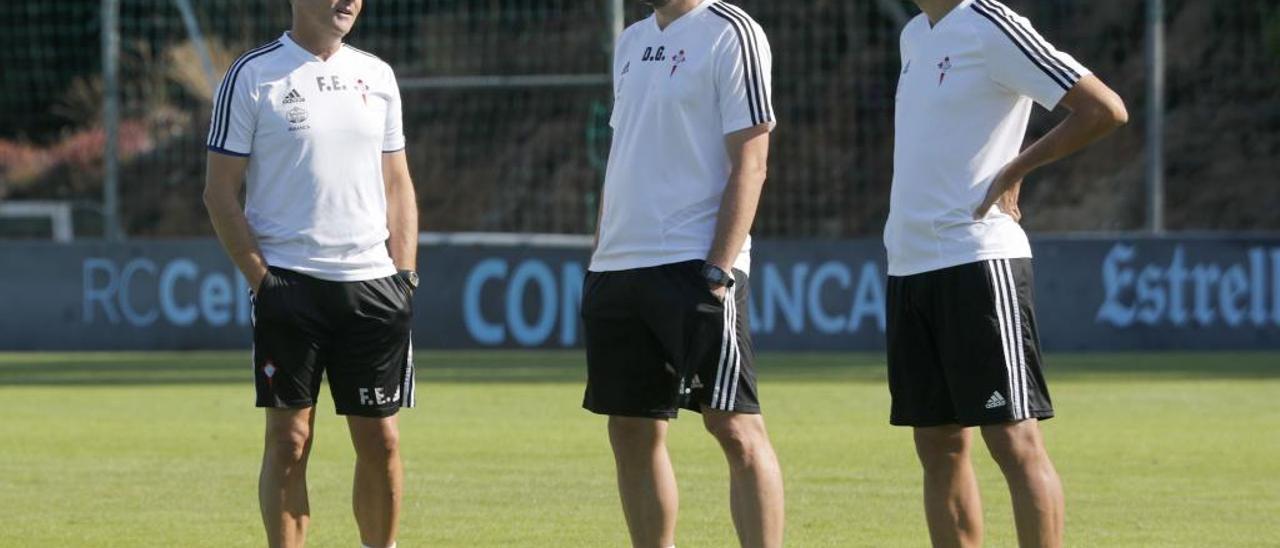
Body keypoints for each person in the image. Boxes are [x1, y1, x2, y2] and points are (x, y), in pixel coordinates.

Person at [885, 0, 1128, 546]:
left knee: (1014, 441)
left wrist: (1019, 166)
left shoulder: (992, 24)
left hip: (976, 261)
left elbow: (1104, 109)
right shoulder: (915, 36)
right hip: (909, 265)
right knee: (938, 445)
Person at [202, 1, 418, 546]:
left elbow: (398, 185)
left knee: (382, 441)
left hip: (373, 286)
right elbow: (219, 192)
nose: (348, 1)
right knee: (289, 440)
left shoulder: (378, 75)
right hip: (290, 284)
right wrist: (263, 282)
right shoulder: (251, 75)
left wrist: (405, 274)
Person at [581, 1, 784, 546]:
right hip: (619, 266)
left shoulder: (732, 31)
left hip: (694, 263)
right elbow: (627, 152)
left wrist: (718, 268)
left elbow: (753, 161)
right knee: (630, 430)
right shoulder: (631, 40)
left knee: (735, 427)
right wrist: (602, 251)